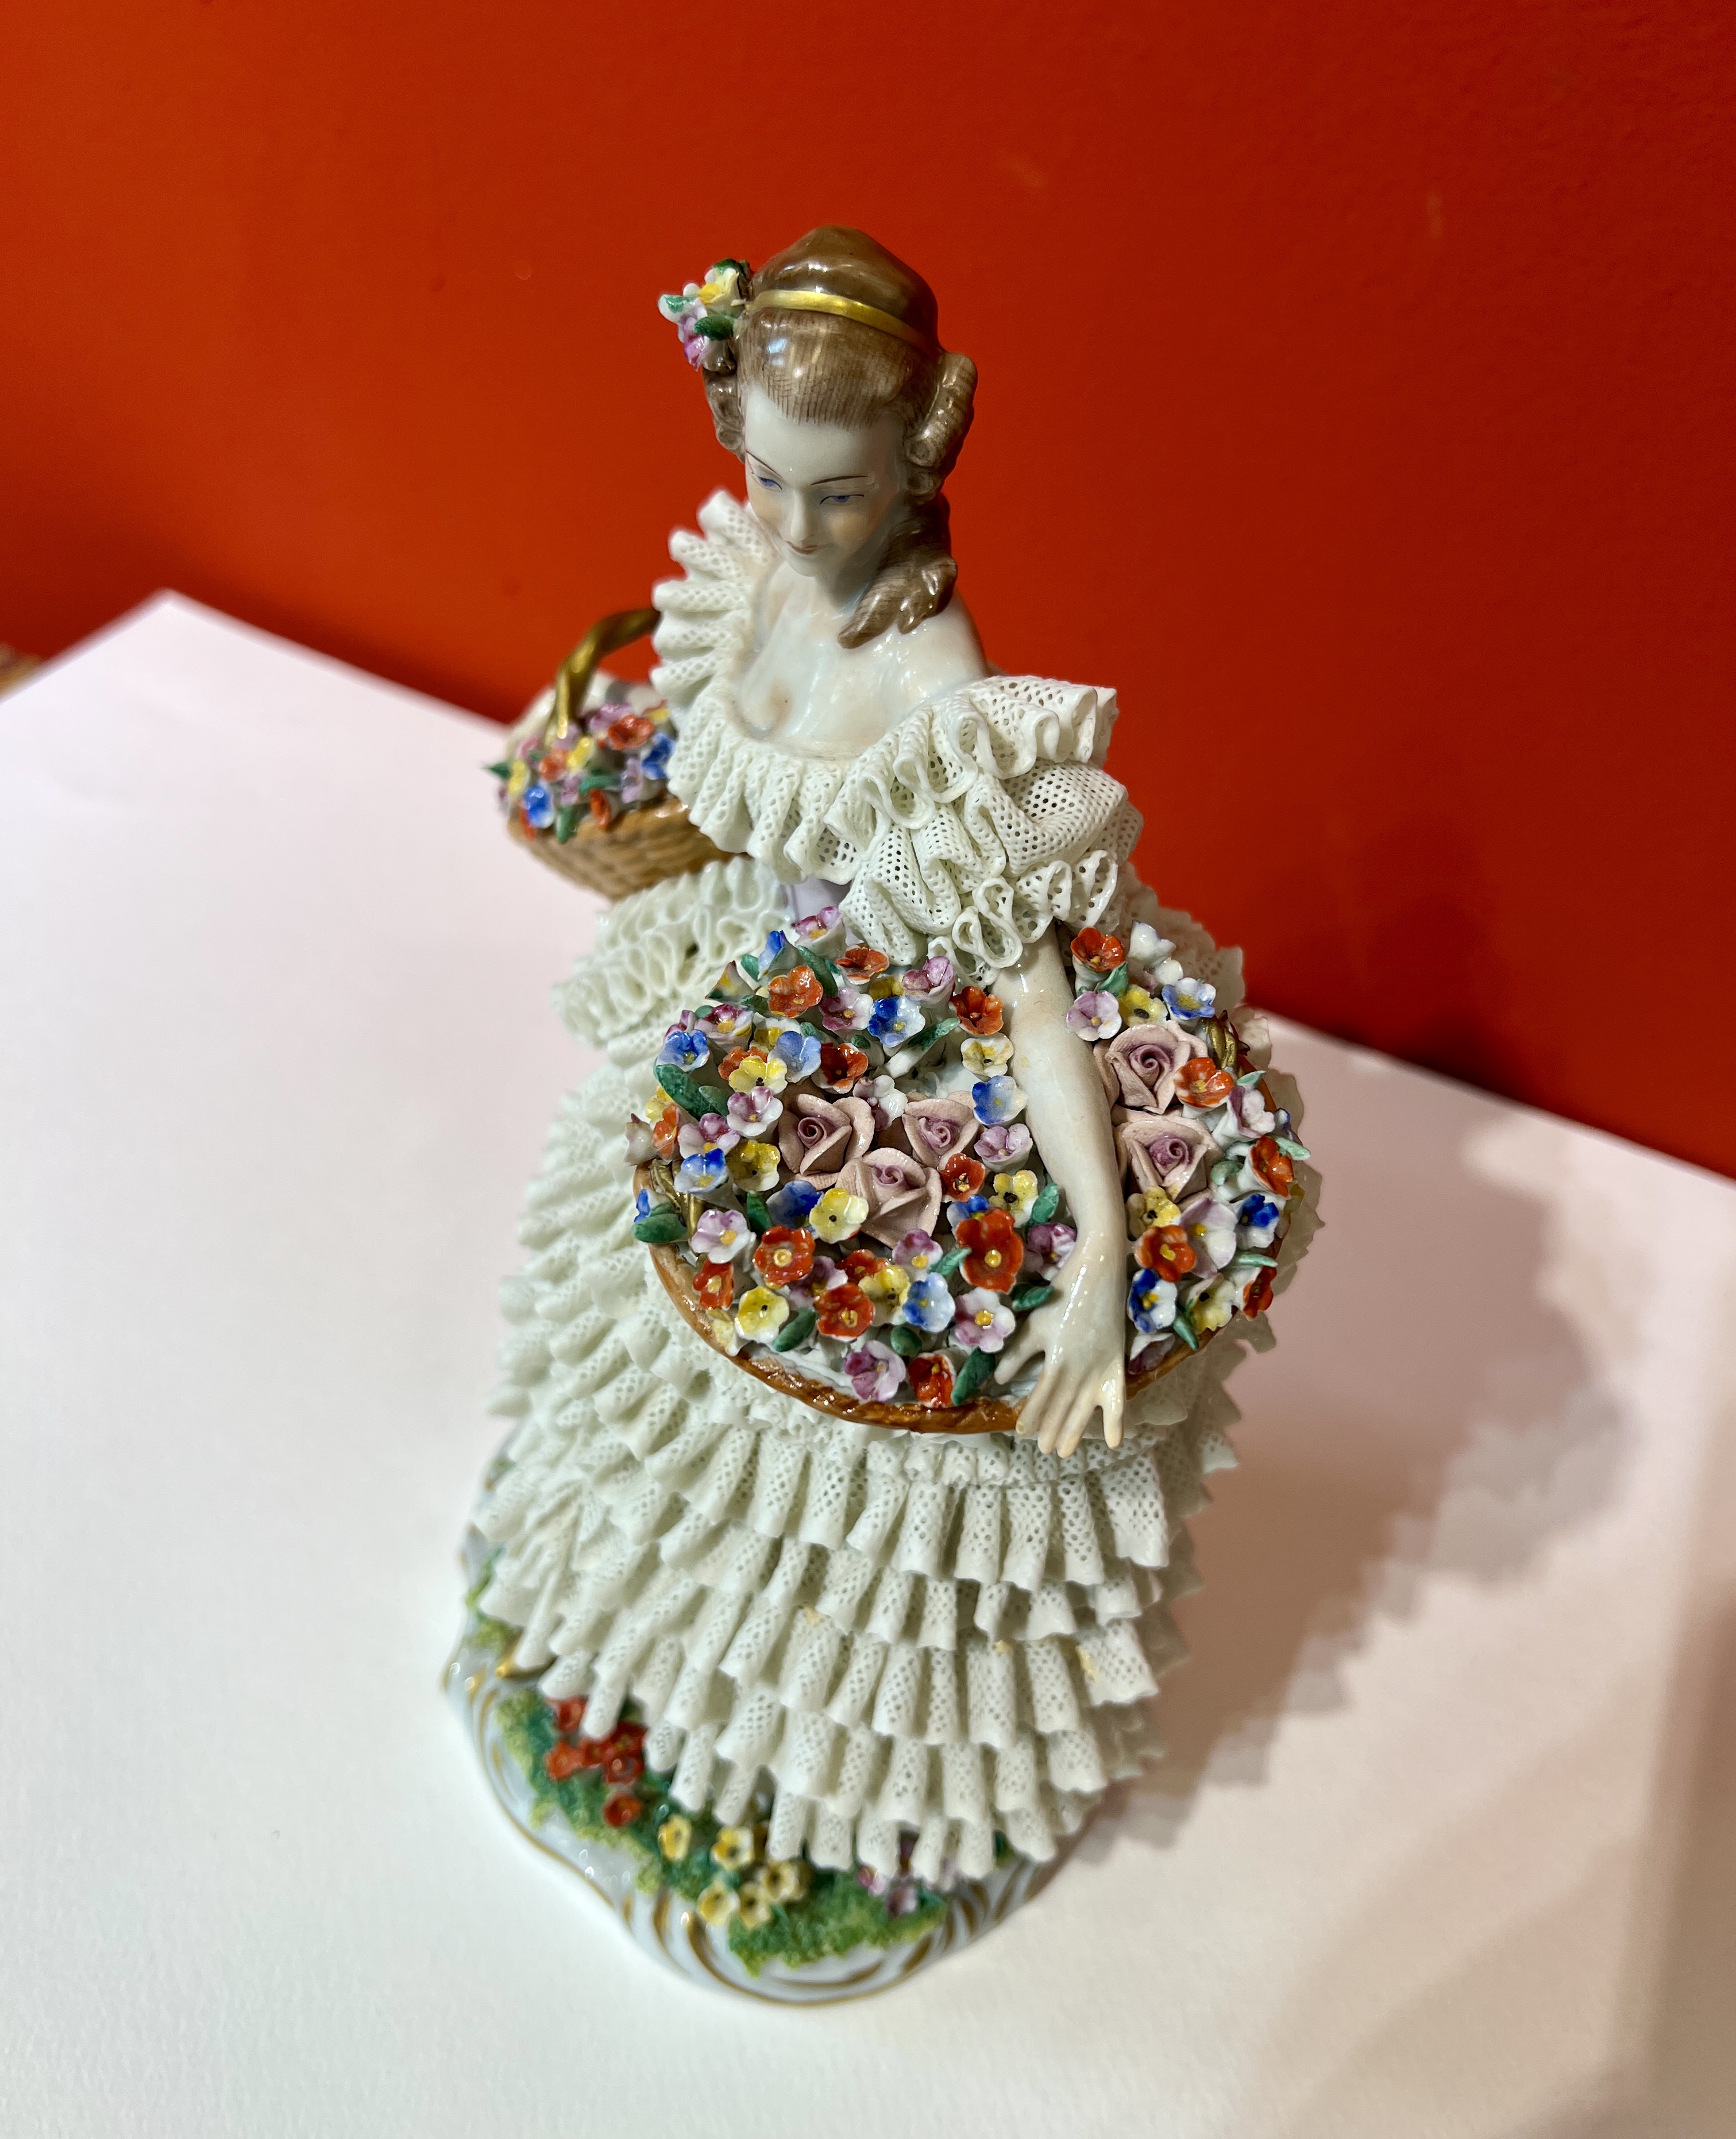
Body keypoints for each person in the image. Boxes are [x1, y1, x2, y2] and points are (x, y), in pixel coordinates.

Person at [466, 227, 1281, 1953]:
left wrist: (1097, 1257)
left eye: (839, 493)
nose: (798, 524)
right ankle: (625, 1668)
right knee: (635, 1366)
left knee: (840, 1497)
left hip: (904, 1050)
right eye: (769, 478)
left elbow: (1035, 1002)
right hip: (740, 996)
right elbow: (720, 756)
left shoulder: (940, 690)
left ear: (923, 455)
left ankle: (816, 1787)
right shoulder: (752, 567)